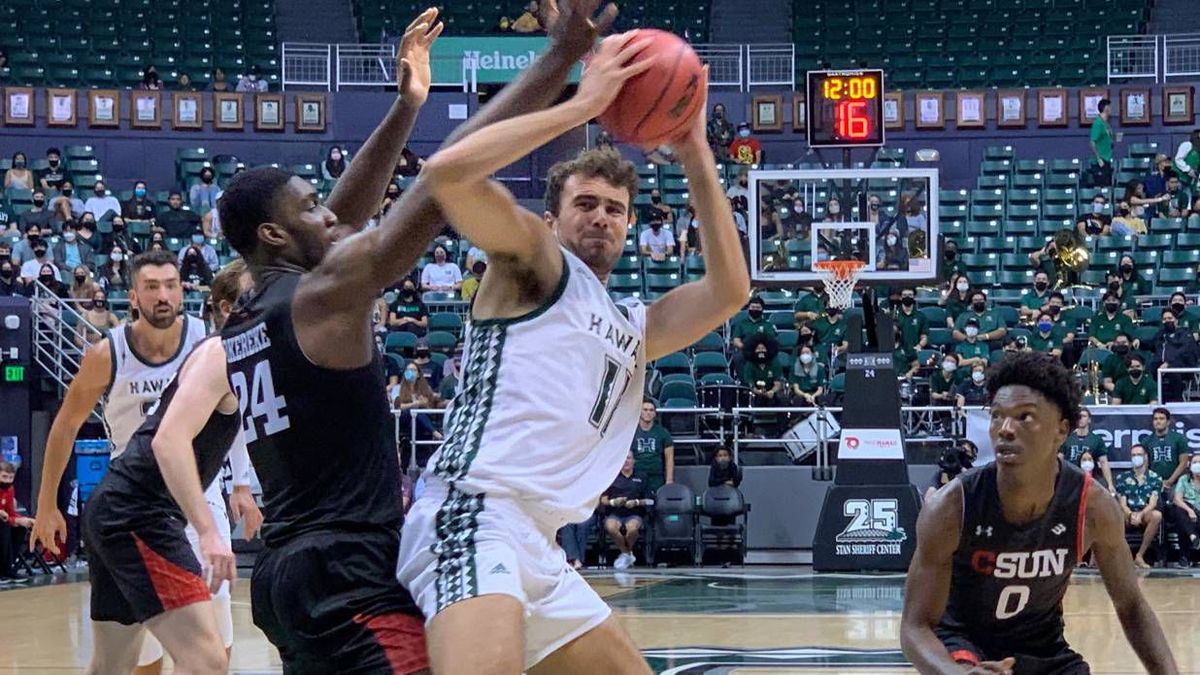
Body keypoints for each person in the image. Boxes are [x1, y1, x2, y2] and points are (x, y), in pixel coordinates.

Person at [146, 6, 627, 670]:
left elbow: (342, 214)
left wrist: (407, 106)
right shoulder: (325, 291)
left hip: (287, 571)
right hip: (349, 575)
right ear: (276, 235)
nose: (330, 211)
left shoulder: (253, 310)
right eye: (308, 207)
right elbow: (441, 183)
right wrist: (559, 67)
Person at [396, 25, 748, 674]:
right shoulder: (535, 262)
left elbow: (731, 288)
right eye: (585, 203)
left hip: (541, 542)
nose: (601, 217)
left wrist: (694, 146)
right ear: (552, 218)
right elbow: (447, 173)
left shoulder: (633, 324)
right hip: (476, 513)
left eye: (615, 208)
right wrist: (585, 106)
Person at [31, 251, 261, 674]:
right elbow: (68, 428)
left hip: (170, 498)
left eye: (172, 285)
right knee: (202, 659)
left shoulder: (204, 339)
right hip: (141, 504)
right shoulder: (113, 353)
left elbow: (238, 423)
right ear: (133, 296)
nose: (164, 295)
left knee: (117, 664)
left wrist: (240, 485)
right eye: (152, 287)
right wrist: (48, 504)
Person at [901, 352, 1178, 674]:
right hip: (961, 646)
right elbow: (915, 627)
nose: (1005, 428)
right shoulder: (951, 507)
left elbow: (1131, 606)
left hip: (1044, 651)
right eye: (997, 416)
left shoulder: (1093, 506)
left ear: (1062, 430)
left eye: (1024, 417)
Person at [1119, 444, 1165, 568]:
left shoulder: (1155, 478)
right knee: (1114, 516)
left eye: (1139, 455)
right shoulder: (1122, 477)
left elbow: (1153, 503)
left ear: (1145, 457)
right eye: (1133, 455)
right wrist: (1130, 514)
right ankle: (1123, 556)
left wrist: (1140, 514)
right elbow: (1122, 503)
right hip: (1127, 512)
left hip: (1144, 512)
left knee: (1157, 515)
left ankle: (1139, 556)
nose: (1136, 457)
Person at [601, 451, 649, 570]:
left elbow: (651, 501)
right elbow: (602, 500)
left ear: (633, 461)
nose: (626, 461)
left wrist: (636, 502)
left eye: (628, 458)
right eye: (623, 458)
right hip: (615, 513)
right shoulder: (612, 476)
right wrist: (614, 502)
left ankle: (625, 554)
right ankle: (627, 553)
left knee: (631, 529)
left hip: (634, 513)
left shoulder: (642, 476)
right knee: (610, 526)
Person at [1059, 407, 1116, 495]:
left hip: (1091, 479)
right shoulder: (1067, 438)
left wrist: (1110, 484)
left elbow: (1104, 462)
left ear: (1089, 420)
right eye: (1079, 416)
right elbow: (1059, 460)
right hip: (1070, 479)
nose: (1081, 419)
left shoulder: (1096, 439)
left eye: (1084, 416)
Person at [0, 461, 36, 586]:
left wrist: (23, 520)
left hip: (4, 521)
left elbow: (10, 513)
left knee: (20, 529)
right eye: (4, 477)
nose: (7, 480)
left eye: (10, 477)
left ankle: (7, 568)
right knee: (4, 527)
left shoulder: (10, 489)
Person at [631, 398, 674, 495]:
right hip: (636, 476)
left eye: (651, 410)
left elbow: (669, 458)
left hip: (656, 477)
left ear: (655, 413)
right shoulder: (631, 433)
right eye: (645, 410)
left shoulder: (663, 433)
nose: (648, 413)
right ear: (639, 412)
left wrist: (669, 480)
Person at [1170, 452, 1200, 559]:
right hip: (1188, 513)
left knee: (1182, 523)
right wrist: (1190, 510)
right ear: (1190, 465)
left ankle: (1184, 556)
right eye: (1195, 462)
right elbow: (1177, 499)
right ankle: (1193, 536)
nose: (1197, 465)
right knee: (1180, 510)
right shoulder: (1184, 479)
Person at [1089, 98, 1114, 186]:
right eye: (1110, 107)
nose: (1111, 109)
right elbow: (1092, 142)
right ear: (1106, 108)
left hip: (1107, 158)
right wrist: (1098, 158)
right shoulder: (1098, 123)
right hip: (1100, 161)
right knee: (1101, 186)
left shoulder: (1106, 123)